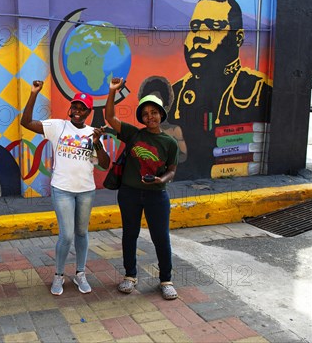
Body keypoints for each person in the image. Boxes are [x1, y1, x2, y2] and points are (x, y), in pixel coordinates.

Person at [20, 80, 110, 296]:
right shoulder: (57, 126)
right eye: (75, 107)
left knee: (82, 232)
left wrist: (97, 142)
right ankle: (59, 275)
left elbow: (105, 164)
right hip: (62, 189)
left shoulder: (93, 133)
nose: (77, 111)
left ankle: (80, 273)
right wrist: (34, 93)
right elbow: (26, 122)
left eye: (82, 108)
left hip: (86, 190)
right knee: (67, 235)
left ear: (88, 111)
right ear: (71, 108)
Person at [171, 0, 271, 179]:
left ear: (238, 38)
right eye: (195, 28)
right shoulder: (174, 94)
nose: (199, 38)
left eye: (213, 27)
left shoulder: (259, 91)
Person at [105, 77, 179, 300]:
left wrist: (160, 180)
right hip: (129, 193)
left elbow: (173, 169)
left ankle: (166, 280)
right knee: (130, 234)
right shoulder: (133, 134)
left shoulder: (170, 142)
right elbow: (110, 117)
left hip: (157, 195)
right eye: (146, 113)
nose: (150, 117)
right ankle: (130, 276)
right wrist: (111, 92)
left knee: (160, 237)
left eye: (154, 112)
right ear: (142, 117)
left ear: (161, 114)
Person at [138, 76, 187, 163]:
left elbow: (183, 155)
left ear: (164, 106)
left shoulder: (174, 130)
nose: (151, 116)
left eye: (154, 111)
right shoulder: (141, 134)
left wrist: (165, 160)